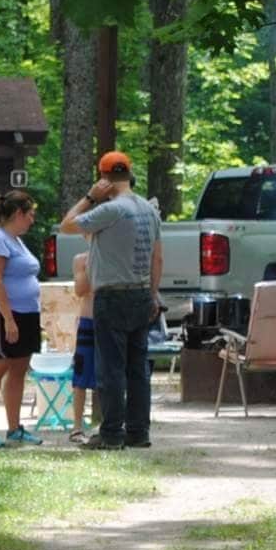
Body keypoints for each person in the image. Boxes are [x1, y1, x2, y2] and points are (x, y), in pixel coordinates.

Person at [59, 150, 162, 449]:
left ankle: (112, 434)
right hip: (142, 293)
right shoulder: (148, 210)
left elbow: (67, 225)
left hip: (112, 296)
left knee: (111, 369)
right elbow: (158, 258)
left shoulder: (109, 210)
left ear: (104, 177)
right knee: (137, 368)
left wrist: (90, 197)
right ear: (129, 173)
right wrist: (153, 293)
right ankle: (139, 432)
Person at [0, 189, 45, 448]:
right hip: (2, 312)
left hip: (26, 313)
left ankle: (14, 429)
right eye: (30, 215)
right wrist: (9, 319)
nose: (32, 220)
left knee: (19, 368)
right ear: (18, 214)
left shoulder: (17, 241)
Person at [67, 250, 96, 443]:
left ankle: (110, 423)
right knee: (81, 375)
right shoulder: (81, 259)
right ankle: (77, 426)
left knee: (111, 372)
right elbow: (80, 290)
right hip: (88, 321)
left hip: (110, 322)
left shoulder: (114, 254)